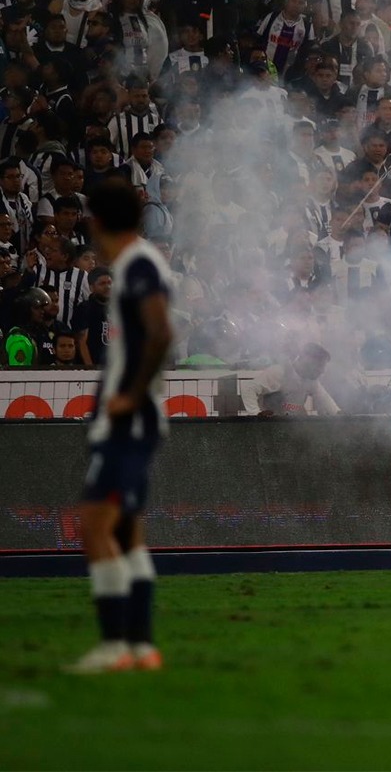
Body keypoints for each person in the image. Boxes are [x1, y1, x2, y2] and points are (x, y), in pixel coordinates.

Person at [67, 177, 173, 674]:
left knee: (94, 521)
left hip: (130, 418)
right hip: (128, 414)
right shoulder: (138, 263)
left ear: (97, 220)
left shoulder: (138, 264)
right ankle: (140, 647)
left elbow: (161, 332)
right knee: (127, 530)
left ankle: (114, 646)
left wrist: (130, 395)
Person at [241, 342, 341, 416]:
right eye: (319, 366)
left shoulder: (311, 381)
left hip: (293, 425)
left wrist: (339, 414)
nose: (322, 371)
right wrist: (256, 414)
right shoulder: (279, 372)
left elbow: (325, 400)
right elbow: (248, 389)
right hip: (271, 426)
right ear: (306, 361)